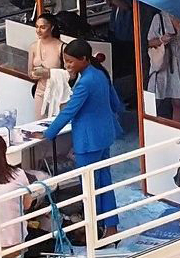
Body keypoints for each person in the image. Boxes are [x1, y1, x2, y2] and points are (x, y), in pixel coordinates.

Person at [42, 37, 126, 241]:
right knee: (104, 181)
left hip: (88, 141)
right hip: (104, 135)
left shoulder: (85, 83)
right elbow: (116, 104)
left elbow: (69, 111)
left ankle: (93, 230)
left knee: (88, 187)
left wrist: (48, 133)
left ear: (84, 59)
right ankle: (111, 226)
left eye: (70, 61)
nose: (68, 65)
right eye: (66, 61)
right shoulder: (100, 74)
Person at [146, 10, 180, 123]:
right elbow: (149, 42)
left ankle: (177, 129)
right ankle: (151, 128)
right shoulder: (159, 18)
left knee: (179, 101)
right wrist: (161, 40)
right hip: (164, 61)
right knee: (156, 97)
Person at [28, 11, 67, 119]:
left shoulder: (61, 47)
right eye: (37, 27)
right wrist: (35, 74)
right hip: (40, 91)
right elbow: (29, 73)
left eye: (43, 27)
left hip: (58, 92)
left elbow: (71, 73)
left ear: (52, 27)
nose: (38, 31)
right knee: (39, 123)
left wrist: (49, 73)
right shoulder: (33, 47)